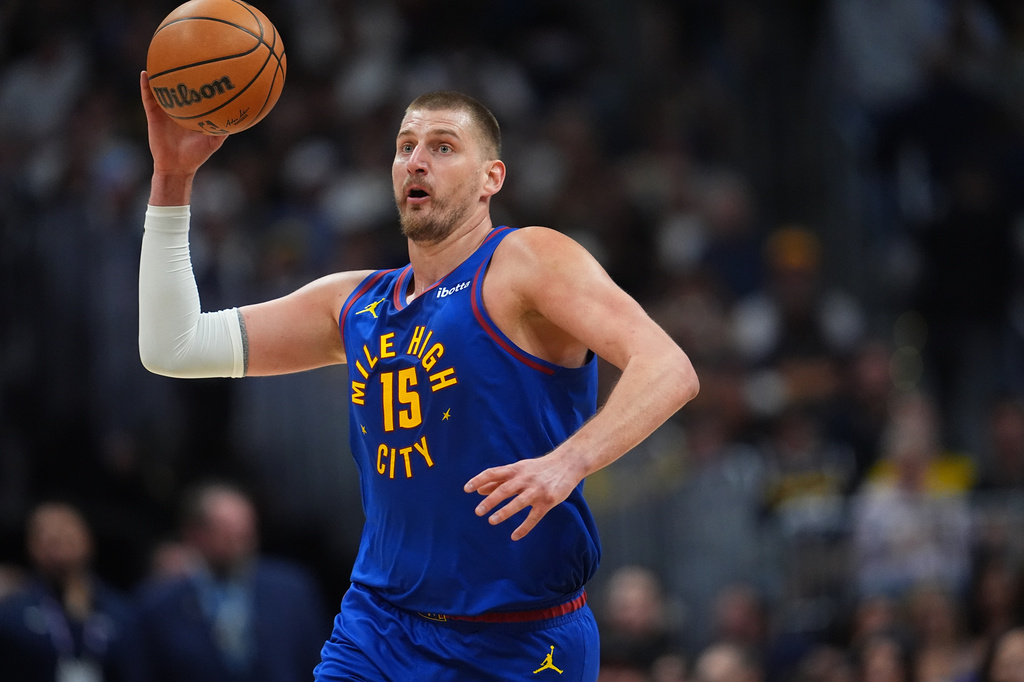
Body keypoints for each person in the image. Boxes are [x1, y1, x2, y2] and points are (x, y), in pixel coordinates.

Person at [137, 71, 700, 681]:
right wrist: (172, 178)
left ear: (491, 178)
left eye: (443, 146)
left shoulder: (526, 261)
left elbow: (668, 367)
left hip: (520, 638)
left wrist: (570, 461)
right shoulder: (353, 302)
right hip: (378, 629)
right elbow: (174, 347)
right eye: (405, 146)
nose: (417, 161)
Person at [134, 481, 327, 682]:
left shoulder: (290, 590)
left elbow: (318, 662)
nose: (240, 539)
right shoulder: (159, 605)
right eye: (227, 529)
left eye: (246, 527)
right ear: (194, 533)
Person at [0, 501, 146, 682]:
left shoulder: (121, 613)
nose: (60, 551)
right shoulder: (11, 615)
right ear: (31, 545)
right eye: (51, 541)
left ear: (88, 540)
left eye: (67, 538)